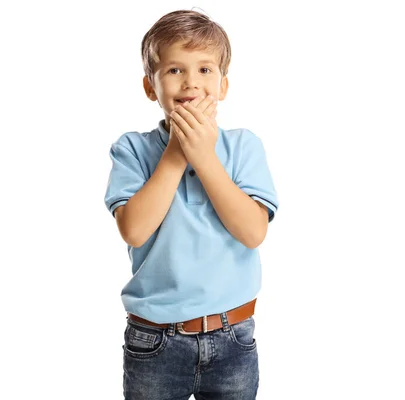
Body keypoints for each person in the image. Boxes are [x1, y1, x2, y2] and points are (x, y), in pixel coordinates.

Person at [104, 9, 279, 400]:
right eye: (174, 70)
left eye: (204, 70)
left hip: (232, 337)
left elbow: (253, 232)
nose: (190, 83)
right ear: (151, 86)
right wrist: (176, 154)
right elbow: (133, 229)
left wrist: (204, 157)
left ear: (223, 85)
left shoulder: (244, 146)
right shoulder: (132, 149)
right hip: (154, 341)